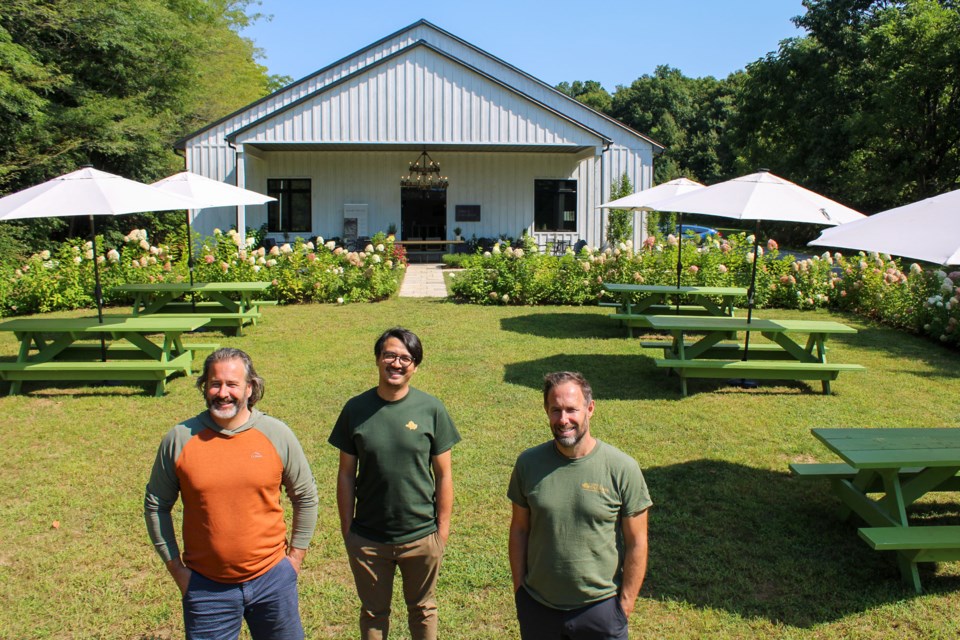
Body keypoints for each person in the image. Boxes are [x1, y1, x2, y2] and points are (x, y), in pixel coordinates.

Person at [144, 347, 319, 640]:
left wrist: (295, 559)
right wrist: (176, 568)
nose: (222, 392)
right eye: (215, 383)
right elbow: (156, 505)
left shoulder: (276, 434)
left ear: (250, 388)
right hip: (205, 587)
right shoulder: (180, 438)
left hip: (273, 579)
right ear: (204, 386)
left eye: (232, 384)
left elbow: (306, 496)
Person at [329, 327, 461, 640]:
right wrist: (348, 530)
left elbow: (444, 475)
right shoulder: (355, 410)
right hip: (369, 537)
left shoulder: (431, 410)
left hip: (421, 535)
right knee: (374, 614)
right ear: (377, 359)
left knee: (423, 609)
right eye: (390, 355)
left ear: (415, 366)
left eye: (406, 358)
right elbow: (346, 473)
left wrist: (440, 533)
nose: (396, 363)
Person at [508, 371, 652, 640]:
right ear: (546, 411)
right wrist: (521, 593)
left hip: (601, 610)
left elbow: (637, 542)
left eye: (572, 410)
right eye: (555, 410)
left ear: (590, 408)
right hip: (539, 609)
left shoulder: (622, 469)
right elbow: (519, 530)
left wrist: (624, 606)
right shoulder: (528, 464)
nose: (563, 420)